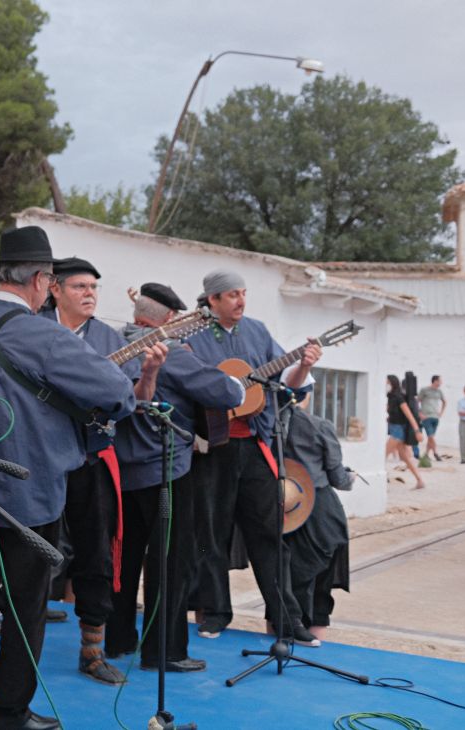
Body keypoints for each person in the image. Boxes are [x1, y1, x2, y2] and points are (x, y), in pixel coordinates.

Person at [0, 226, 158, 730]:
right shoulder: (40, 333)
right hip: (27, 487)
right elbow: (118, 394)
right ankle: (10, 712)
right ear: (39, 280)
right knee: (26, 606)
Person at [107, 284, 244, 673]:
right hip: (166, 469)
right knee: (171, 563)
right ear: (169, 320)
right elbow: (227, 392)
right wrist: (233, 380)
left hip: (122, 472)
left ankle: (119, 639)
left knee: (124, 560)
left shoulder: (112, 346)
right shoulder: (171, 352)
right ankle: (164, 650)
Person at [186, 269, 322, 645]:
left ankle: (287, 618)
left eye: (243, 293)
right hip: (212, 447)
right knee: (211, 534)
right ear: (212, 300)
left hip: (255, 444)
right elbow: (188, 386)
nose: (241, 301)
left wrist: (304, 365)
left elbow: (286, 384)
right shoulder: (192, 335)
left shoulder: (258, 332)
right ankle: (215, 612)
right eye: (232, 295)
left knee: (269, 533)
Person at [37, 257, 141, 685]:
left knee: (96, 551)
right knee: (31, 552)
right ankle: (14, 652)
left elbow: (127, 397)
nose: (90, 294)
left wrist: (149, 371)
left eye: (94, 287)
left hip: (91, 457)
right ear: (55, 289)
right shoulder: (33, 329)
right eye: (80, 286)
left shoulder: (108, 338)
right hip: (40, 457)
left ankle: (92, 650)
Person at [281, 399, 354, 642]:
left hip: (282, 510)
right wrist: (351, 478)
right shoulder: (318, 425)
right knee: (319, 590)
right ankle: (312, 641)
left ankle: (283, 637)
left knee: (284, 581)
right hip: (318, 512)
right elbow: (338, 477)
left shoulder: (265, 424)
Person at [386, 374, 426, 489]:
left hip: (397, 432)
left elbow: (409, 415)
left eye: (387, 382)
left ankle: (380, 479)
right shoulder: (391, 397)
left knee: (383, 454)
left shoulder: (398, 397)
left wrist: (417, 431)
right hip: (395, 429)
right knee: (404, 457)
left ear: (392, 383)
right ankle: (420, 481)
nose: (385, 384)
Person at [418, 375, 447, 461]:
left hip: (435, 417)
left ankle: (426, 455)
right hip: (426, 417)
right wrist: (420, 413)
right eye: (440, 381)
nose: (441, 383)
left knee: (431, 437)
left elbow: (444, 402)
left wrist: (441, 413)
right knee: (431, 436)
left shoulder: (439, 391)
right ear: (435, 381)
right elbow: (416, 402)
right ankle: (435, 453)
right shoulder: (424, 390)